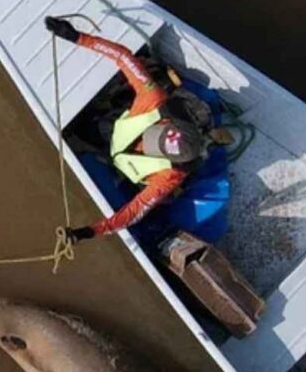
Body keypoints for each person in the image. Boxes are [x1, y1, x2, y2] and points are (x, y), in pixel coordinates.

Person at [44, 16, 232, 242]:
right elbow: (123, 57)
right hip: (114, 135)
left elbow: (134, 212)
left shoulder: (169, 176)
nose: (145, 143)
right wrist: (77, 37)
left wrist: (90, 231)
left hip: (124, 169)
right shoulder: (152, 98)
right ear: (166, 122)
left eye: (151, 147)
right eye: (153, 135)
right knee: (90, 127)